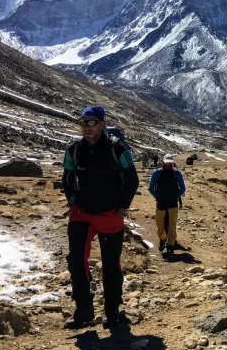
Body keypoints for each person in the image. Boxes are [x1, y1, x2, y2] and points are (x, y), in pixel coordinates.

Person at [61, 106, 139, 329]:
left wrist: (122, 208)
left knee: (111, 263)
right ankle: (83, 309)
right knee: (76, 260)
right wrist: (71, 201)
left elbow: (131, 180)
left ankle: (112, 310)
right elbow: (67, 178)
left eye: (91, 122)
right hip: (82, 212)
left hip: (109, 213)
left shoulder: (118, 149)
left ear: (102, 124)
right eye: (83, 122)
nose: (86, 127)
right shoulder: (74, 149)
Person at [148, 154, 186, 258]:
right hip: (161, 203)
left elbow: (182, 188)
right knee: (160, 225)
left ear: (172, 163)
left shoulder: (176, 174)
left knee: (172, 225)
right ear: (163, 162)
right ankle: (162, 239)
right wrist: (158, 197)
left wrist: (175, 197)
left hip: (173, 204)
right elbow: (151, 187)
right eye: (166, 162)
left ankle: (170, 245)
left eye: (170, 162)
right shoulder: (157, 173)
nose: (168, 164)